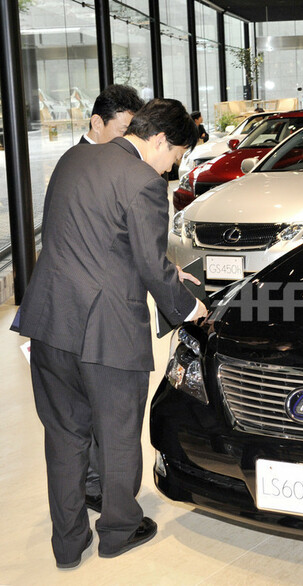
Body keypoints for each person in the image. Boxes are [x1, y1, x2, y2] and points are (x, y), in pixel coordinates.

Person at [14, 98, 208, 569]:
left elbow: (89, 239)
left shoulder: (73, 158)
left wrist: (168, 271)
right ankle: (119, 530)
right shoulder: (144, 181)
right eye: (176, 156)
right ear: (159, 140)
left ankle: (67, 544)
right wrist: (188, 305)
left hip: (49, 322)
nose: (172, 168)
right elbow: (148, 262)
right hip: (107, 332)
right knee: (117, 434)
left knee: (64, 437)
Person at [78, 84, 145, 516]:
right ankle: (101, 489)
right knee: (97, 410)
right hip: (91, 310)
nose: (127, 143)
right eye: (122, 131)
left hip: (96, 307)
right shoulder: (78, 165)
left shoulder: (110, 164)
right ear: (96, 123)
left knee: (98, 410)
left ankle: (101, 486)